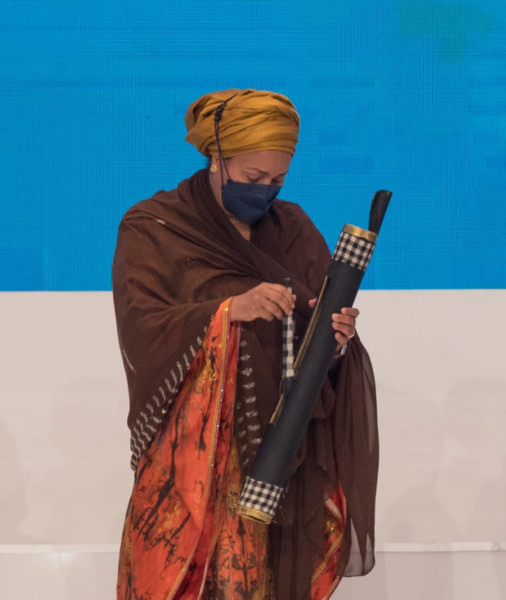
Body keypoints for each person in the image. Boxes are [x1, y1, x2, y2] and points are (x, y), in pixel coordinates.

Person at [113, 89, 378, 600]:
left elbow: (316, 326)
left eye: (278, 180)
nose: (266, 192)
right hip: (191, 463)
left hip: (281, 461)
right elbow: (143, 323)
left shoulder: (294, 228)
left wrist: (337, 340)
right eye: (253, 179)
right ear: (216, 158)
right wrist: (228, 310)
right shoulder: (156, 228)